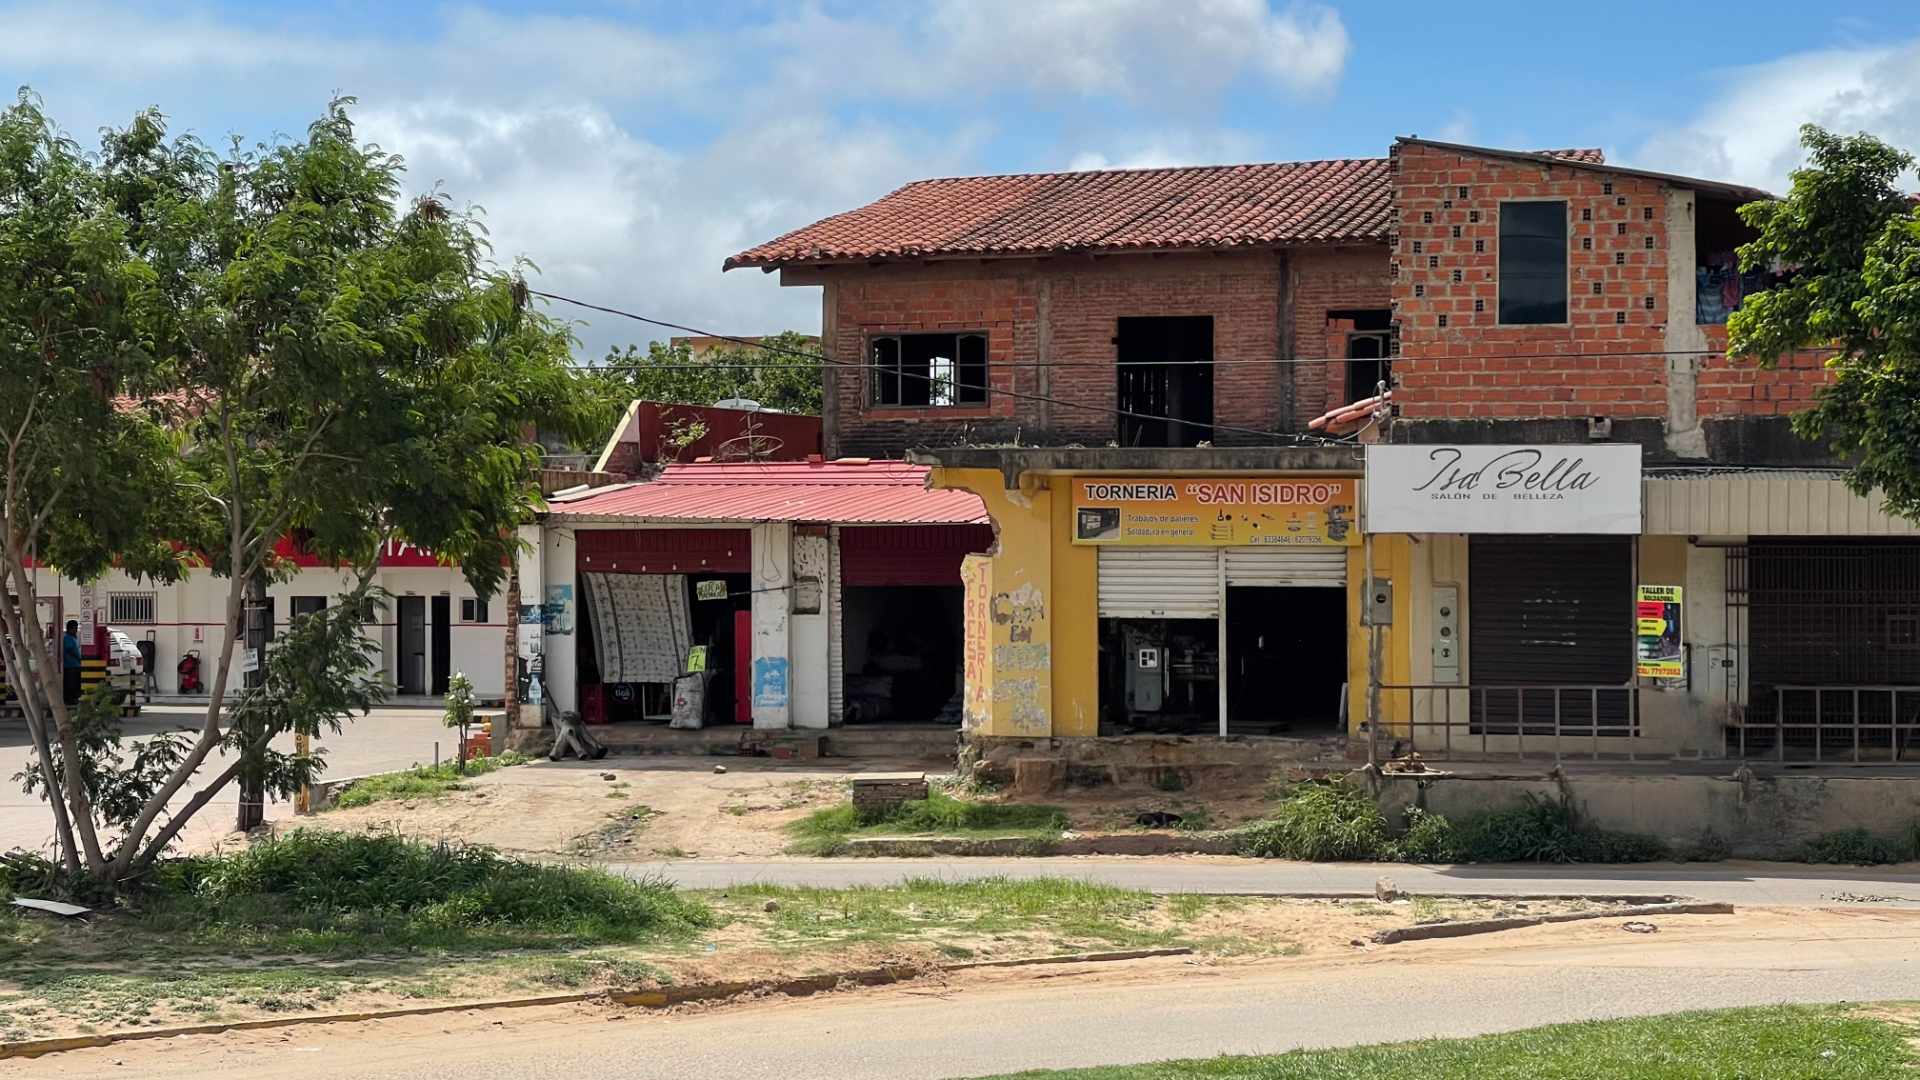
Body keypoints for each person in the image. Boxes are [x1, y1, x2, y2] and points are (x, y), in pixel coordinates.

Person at [62, 620, 82, 706]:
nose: (76, 630)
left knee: (75, 683)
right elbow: (70, 650)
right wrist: (79, 658)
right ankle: (71, 699)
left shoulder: (73, 638)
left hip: (75, 665)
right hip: (70, 665)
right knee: (71, 684)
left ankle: (74, 698)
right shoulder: (67, 638)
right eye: (75, 628)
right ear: (70, 629)